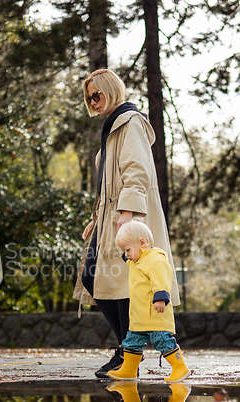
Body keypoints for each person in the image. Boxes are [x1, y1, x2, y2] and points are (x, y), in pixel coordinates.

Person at [73, 68, 180, 378]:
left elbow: (137, 172)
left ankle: (127, 354)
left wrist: (127, 215)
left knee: (120, 283)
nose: (93, 102)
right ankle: (127, 350)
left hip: (127, 217)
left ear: (111, 90)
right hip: (109, 218)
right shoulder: (113, 126)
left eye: (97, 94)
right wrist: (97, 222)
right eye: (89, 97)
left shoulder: (130, 123)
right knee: (98, 279)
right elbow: (109, 181)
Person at [107, 221, 190, 382]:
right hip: (139, 317)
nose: (127, 254)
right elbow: (127, 255)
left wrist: (160, 299)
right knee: (131, 342)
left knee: (162, 340)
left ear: (142, 243)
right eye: (125, 251)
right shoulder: (135, 261)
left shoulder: (155, 260)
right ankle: (129, 370)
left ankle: (180, 368)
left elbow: (162, 280)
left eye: (128, 250)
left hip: (155, 314)